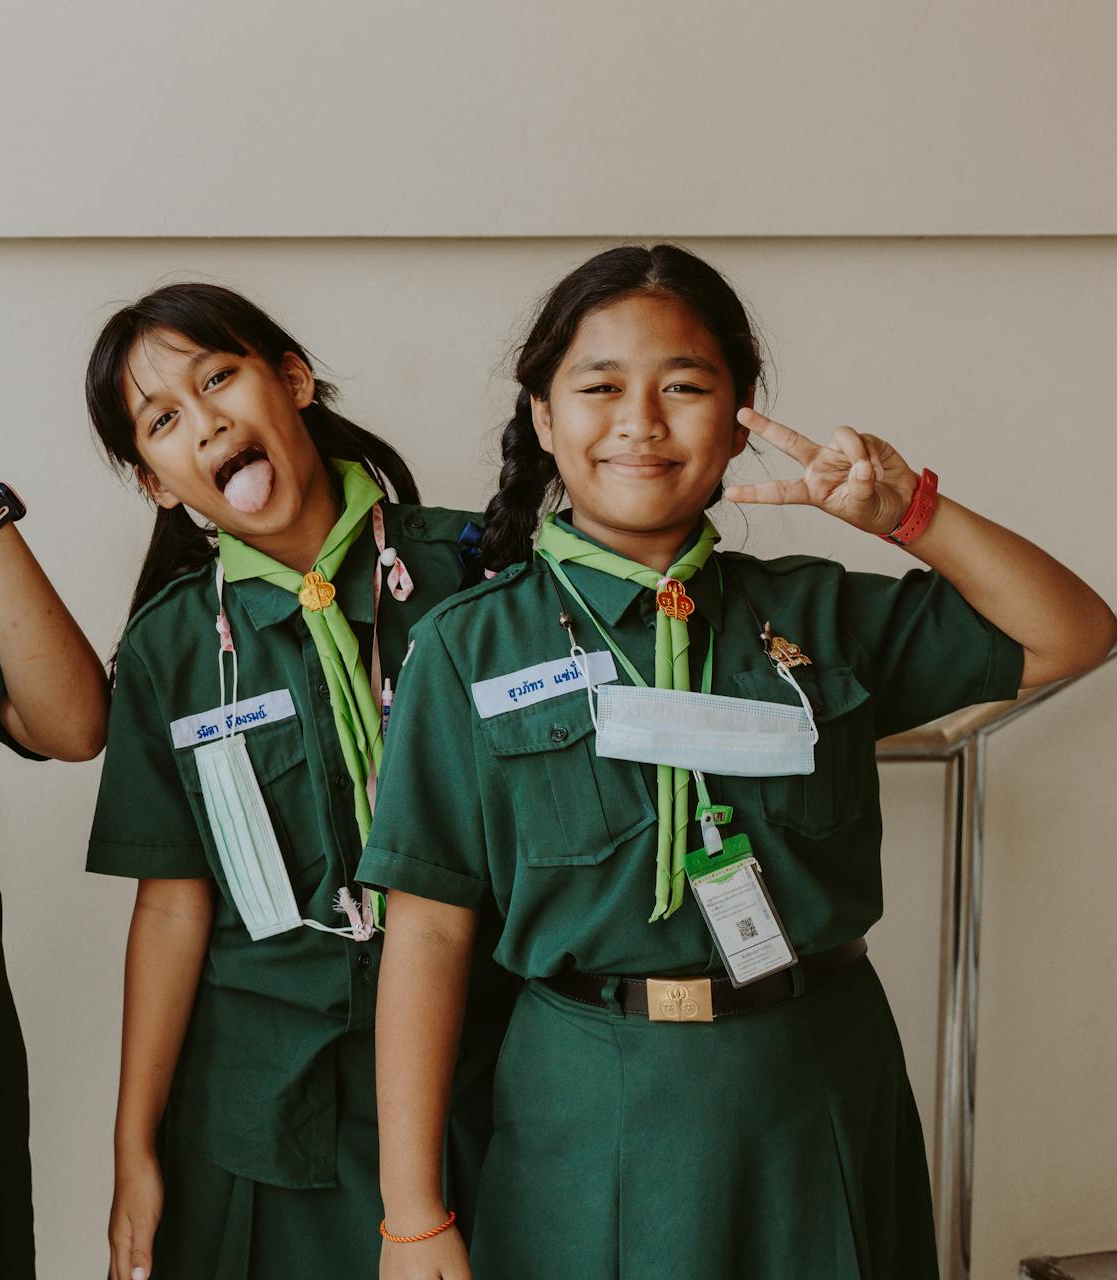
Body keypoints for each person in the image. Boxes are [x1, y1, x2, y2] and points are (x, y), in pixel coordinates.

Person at [363, 243, 1117, 1280]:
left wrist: (910, 514)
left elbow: (1073, 634)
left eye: (684, 385)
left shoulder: (819, 612)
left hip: (815, 1091)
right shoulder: (468, 646)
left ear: (739, 415)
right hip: (588, 1108)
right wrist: (412, 1212)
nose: (640, 420)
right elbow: (430, 929)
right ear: (543, 415)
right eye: (600, 387)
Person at [84, 282, 517, 1280]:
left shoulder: (477, 574)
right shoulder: (174, 645)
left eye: (220, 377)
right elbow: (172, 907)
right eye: (163, 419)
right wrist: (133, 1149)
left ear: (292, 378)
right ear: (154, 479)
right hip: (261, 1109)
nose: (208, 422)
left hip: (481, 1073)